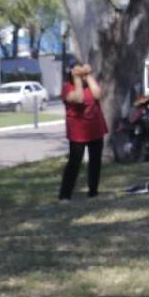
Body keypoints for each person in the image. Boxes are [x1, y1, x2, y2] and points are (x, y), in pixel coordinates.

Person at [60, 60, 108, 202]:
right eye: (77, 71)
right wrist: (76, 77)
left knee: (95, 161)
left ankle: (93, 192)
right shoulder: (67, 87)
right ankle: (65, 195)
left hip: (95, 128)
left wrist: (88, 75)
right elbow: (79, 98)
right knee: (74, 162)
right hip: (77, 131)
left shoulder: (89, 83)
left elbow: (98, 94)